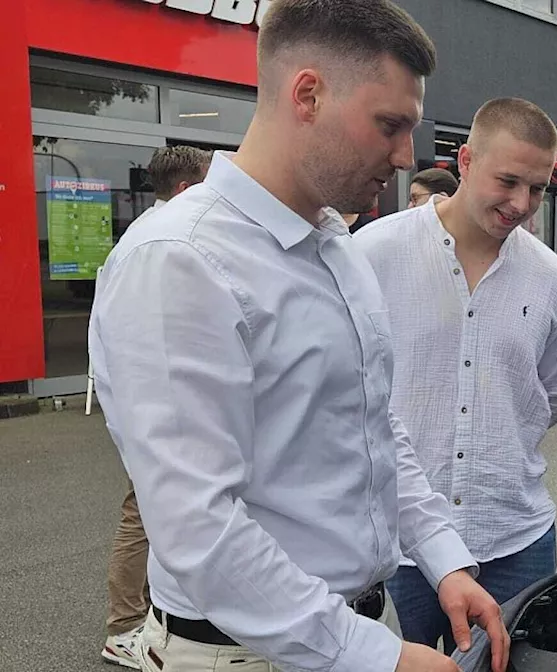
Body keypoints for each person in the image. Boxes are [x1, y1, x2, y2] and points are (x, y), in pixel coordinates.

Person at [87, 2, 509, 671]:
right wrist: (375, 655)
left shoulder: (332, 243)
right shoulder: (180, 259)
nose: (405, 157)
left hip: (349, 627)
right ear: (307, 94)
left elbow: (373, 431)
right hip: (243, 652)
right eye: (389, 125)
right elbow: (200, 526)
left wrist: (444, 558)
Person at [353, 97, 557, 650]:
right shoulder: (372, 254)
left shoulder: (553, 281)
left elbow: (550, 395)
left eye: (538, 189)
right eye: (508, 181)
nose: (522, 204)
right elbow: (350, 391)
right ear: (466, 161)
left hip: (514, 538)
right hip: (402, 543)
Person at [100, 144, 212, 670]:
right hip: (154, 409)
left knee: (147, 509)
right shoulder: (162, 242)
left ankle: (130, 620)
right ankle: (124, 626)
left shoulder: (146, 238)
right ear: (190, 189)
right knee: (142, 512)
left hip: (145, 404)